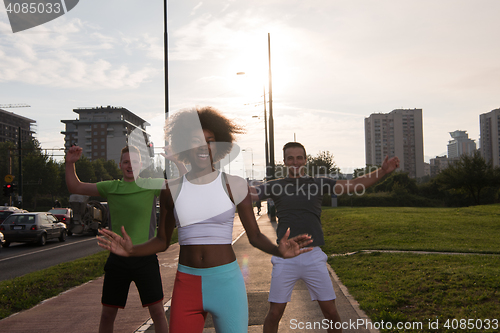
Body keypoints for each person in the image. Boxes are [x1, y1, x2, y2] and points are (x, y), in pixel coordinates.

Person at [97, 107, 313, 333]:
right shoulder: (171, 189)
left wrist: (279, 251)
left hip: (226, 284)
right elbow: (162, 240)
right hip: (186, 284)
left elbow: (255, 236)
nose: (203, 146)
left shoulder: (235, 185)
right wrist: (132, 251)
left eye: (209, 140)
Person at [254, 142, 400, 333]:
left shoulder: (318, 183)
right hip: (285, 258)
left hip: (313, 255)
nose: (295, 162)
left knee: (331, 313)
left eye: (299, 157)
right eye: (290, 158)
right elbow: (245, 196)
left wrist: (382, 172)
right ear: (285, 162)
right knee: (274, 314)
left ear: (305, 160)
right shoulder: (275, 186)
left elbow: (353, 185)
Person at [65, 145, 169, 333]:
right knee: (107, 315)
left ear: (142, 164)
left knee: (157, 312)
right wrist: (70, 163)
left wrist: (177, 161)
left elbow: (182, 186)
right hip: (118, 259)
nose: (131, 165)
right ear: (120, 165)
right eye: (127, 162)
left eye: (135, 162)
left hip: (145, 258)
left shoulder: (152, 185)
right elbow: (76, 186)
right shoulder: (111, 187)